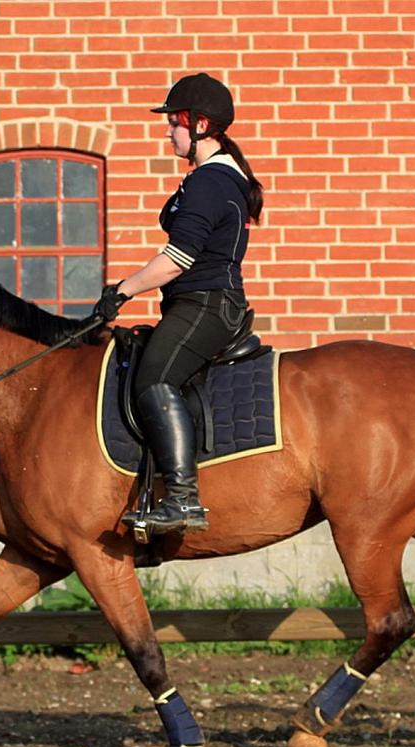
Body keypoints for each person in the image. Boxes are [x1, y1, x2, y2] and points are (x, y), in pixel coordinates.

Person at [91, 72, 264, 536]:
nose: (168, 132)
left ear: (201, 125)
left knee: (152, 378)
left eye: (175, 123)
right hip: (198, 303)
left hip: (207, 304)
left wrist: (122, 290)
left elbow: (177, 259)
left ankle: (184, 500)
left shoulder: (210, 182)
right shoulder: (216, 178)